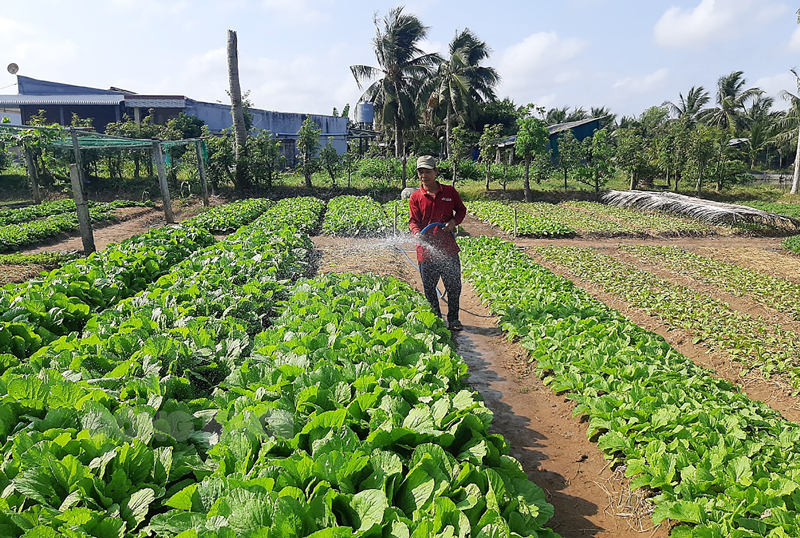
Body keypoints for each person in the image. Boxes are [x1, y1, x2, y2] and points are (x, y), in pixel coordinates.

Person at [408, 155, 467, 331]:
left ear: (436, 172)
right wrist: (417, 233)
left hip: (448, 248)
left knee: (454, 285)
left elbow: (461, 211)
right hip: (426, 251)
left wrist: (454, 222)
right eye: (420, 172)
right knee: (429, 288)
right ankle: (435, 318)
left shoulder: (449, 192)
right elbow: (413, 221)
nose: (424, 176)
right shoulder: (415, 197)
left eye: (427, 172)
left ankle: (454, 319)